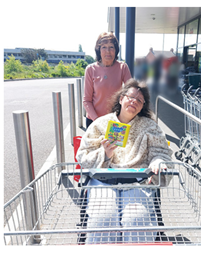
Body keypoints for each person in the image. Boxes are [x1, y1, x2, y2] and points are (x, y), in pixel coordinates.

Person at [75, 79, 172, 244]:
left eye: (139, 100)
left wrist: (158, 161)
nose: (134, 101)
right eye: (130, 96)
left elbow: (162, 152)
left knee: (136, 220)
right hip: (103, 179)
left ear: (142, 107)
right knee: (103, 218)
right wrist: (104, 154)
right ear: (121, 98)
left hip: (137, 181)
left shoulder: (150, 126)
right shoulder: (101, 124)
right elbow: (83, 154)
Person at [83, 32, 132, 128]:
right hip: (94, 120)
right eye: (104, 47)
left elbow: (131, 93)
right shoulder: (90, 69)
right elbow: (87, 100)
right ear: (99, 50)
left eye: (111, 47)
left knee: (116, 144)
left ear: (116, 49)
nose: (108, 51)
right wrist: (97, 120)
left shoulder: (123, 67)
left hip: (115, 121)